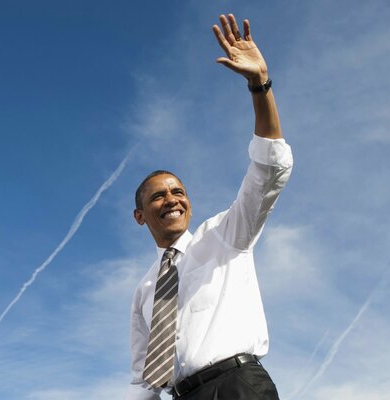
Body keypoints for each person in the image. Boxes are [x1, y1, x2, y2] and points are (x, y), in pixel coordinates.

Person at [126, 14, 293, 400]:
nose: (172, 199)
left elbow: (269, 170)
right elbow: (144, 379)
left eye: (178, 191)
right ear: (140, 216)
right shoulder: (144, 291)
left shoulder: (225, 235)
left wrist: (259, 85)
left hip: (239, 387)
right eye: (158, 196)